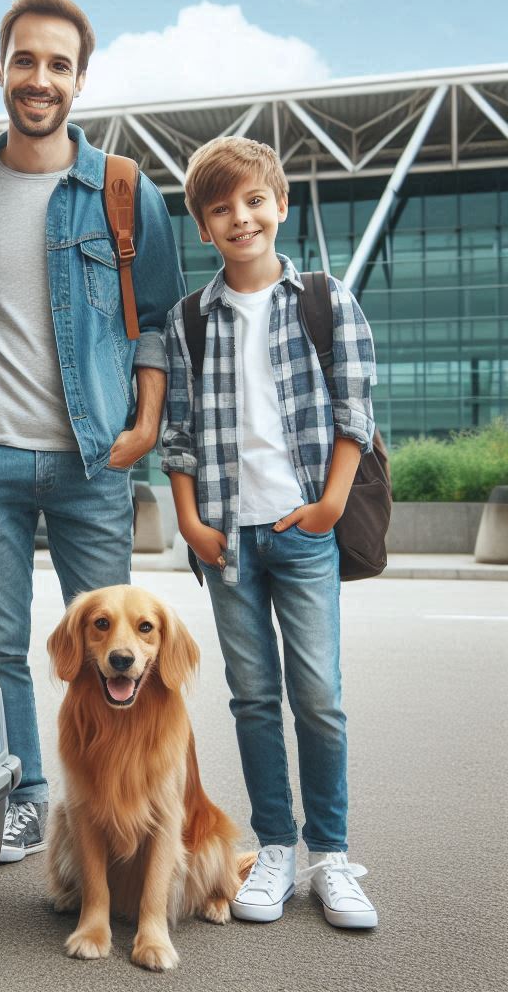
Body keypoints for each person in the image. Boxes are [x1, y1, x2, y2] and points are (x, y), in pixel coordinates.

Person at [0, 0, 184, 863]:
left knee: (114, 661)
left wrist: (142, 426)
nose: (39, 78)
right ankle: (28, 794)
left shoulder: (123, 191)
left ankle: (105, 802)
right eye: (25, 60)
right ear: (1, 69)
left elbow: (159, 325)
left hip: (93, 459)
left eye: (57, 64)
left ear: (80, 79)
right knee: (1, 645)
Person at [161, 136, 378, 929]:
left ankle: (331, 857)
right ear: (204, 226)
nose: (240, 217)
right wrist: (190, 521)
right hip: (226, 542)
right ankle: (275, 849)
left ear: (280, 205)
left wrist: (326, 507)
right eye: (221, 208)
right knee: (253, 698)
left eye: (254, 201)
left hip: (303, 531)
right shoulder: (191, 318)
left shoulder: (324, 298)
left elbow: (356, 411)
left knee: (318, 698)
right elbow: (177, 434)